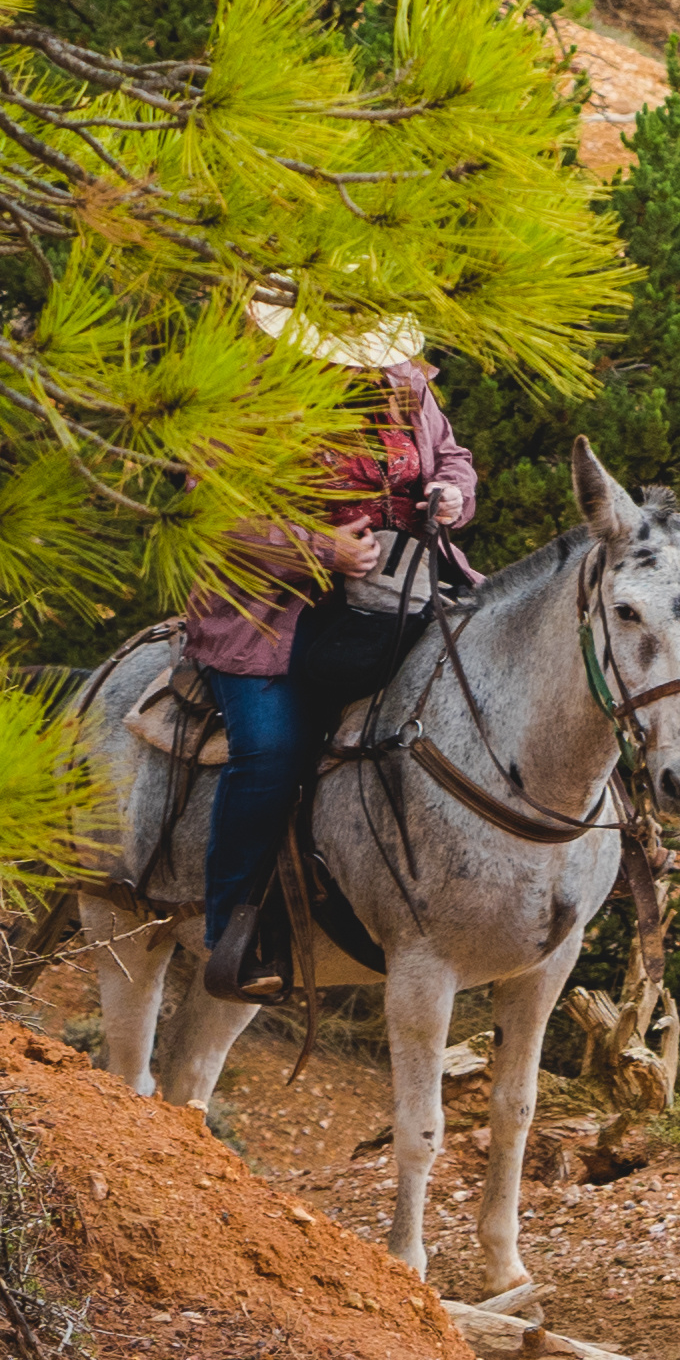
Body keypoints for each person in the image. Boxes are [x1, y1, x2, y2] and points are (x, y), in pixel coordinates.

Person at [183, 305, 477, 1005]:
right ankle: (234, 928)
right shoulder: (250, 389)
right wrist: (324, 548)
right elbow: (213, 510)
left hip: (400, 589)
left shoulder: (405, 382)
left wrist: (448, 497)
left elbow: (453, 459)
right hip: (267, 605)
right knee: (271, 747)